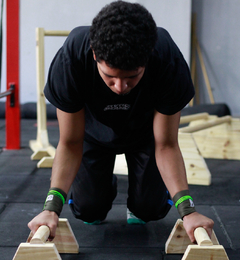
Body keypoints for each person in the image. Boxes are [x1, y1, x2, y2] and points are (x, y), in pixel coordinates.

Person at [28, 1, 214, 242]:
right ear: (95, 54)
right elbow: (70, 142)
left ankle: (139, 195)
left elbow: (166, 144)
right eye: (110, 76)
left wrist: (188, 211)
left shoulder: (167, 58)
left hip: (146, 135)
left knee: (149, 210)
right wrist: (50, 208)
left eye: (131, 77)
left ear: (146, 59)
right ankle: (103, 182)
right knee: (89, 210)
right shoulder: (72, 58)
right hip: (93, 133)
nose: (120, 87)